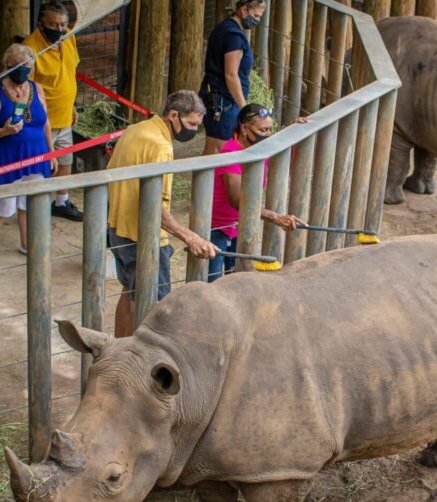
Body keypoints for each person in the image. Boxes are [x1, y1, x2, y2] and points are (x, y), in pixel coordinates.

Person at [107, 90, 218, 337]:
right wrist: (190, 237)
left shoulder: (136, 129)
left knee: (129, 293)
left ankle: (117, 350)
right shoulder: (160, 147)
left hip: (117, 228)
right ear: (173, 115)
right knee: (150, 307)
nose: (193, 130)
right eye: (190, 124)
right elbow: (154, 205)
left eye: (197, 126)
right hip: (143, 236)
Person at [0, 43, 58, 268]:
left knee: (30, 202)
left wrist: (52, 153)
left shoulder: (36, 88)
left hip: (37, 153)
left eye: (27, 66)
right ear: (7, 66)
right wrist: (3, 131)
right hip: (7, 155)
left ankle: (26, 242)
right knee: (4, 204)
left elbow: (46, 123)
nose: (23, 71)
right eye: (17, 66)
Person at [208, 104, 303, 282]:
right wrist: (274, 217)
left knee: (237, 279)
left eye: (270, 129)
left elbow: (284, 163)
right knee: (212, 281)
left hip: (242, 225)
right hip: (217, 228)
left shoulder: (260, 148)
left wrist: (293, 133)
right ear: (244, 128)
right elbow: (237, 199)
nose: (268, 134)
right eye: (263, 129)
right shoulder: (231, 151)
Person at [23, 0, 84, 222]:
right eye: (53, 24)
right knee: (39, 165)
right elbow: (25, 88)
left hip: (65, 115)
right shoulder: (30, 48)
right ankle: (33, 207)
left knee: (66, 160)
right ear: (41, 24)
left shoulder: (69, 37)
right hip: (42, 120)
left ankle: (61, 201)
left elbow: (70, 71)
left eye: (62, 24)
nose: (59, 29)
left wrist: (72, 104)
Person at [199, 0, 269, 155]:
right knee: (228, 157)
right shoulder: (234, 37)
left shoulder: (223, 28)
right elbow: (231, 75)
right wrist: (245, 110)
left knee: (211, 152)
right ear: (244, 10)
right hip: (225, 103)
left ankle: (206, 180)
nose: (257, 20)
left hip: (216, 99)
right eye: (256, 15)